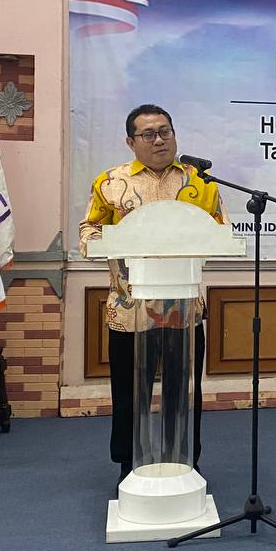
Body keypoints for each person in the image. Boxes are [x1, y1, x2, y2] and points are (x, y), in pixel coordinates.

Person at [79, 104, 225, 486]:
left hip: (183, 308)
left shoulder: (200, 183)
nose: (159, 140)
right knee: (130, 394)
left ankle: (186, 461)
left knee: (183, 393)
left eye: (165, 131)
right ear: (131, 142)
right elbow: (88, 230)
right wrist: (113, 242)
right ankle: (128, 465)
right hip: (130, 309)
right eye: (148, 134)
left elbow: (218, 230)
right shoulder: (110, 182)